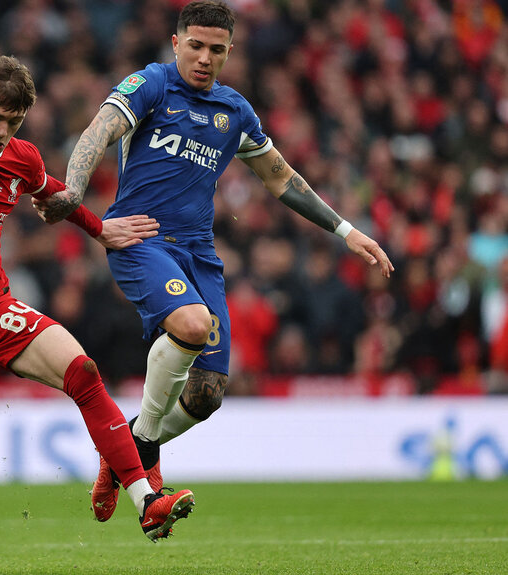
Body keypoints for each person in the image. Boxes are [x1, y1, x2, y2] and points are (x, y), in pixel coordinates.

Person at [33, 0, 395, 522]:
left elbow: (281, 178)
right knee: (192, 324)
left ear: (230, 52)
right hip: (142, 238)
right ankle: (144, 456)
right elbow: (98, 131)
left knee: (206, 395)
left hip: (199, 255)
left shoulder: (235, 112)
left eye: (216, 50)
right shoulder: (152, 85)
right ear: (176, 42)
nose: (205, 58)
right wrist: (74, 189)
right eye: (196, 46)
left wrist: (346, 230)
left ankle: (125, 452)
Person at [0, 29, 194, 575]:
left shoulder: (18, 159)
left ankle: (147, 501)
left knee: (83, 372)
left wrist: (101, 230)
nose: (0, 133)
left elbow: (52, 192)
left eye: (13, 124)